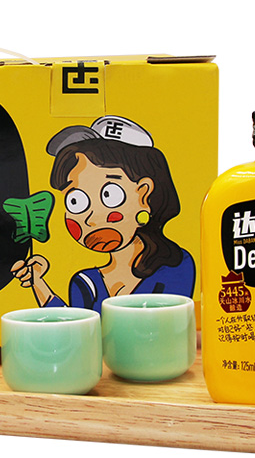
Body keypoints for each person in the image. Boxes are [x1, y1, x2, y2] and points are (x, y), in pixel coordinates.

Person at [11, 115, 194, 312]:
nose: (90, 218)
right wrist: (38, 281)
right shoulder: (86, 282)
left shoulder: (175, 265)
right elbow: (76, 325)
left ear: (143, 194)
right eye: (76, 201)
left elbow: (166, 323)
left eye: (109, 194)